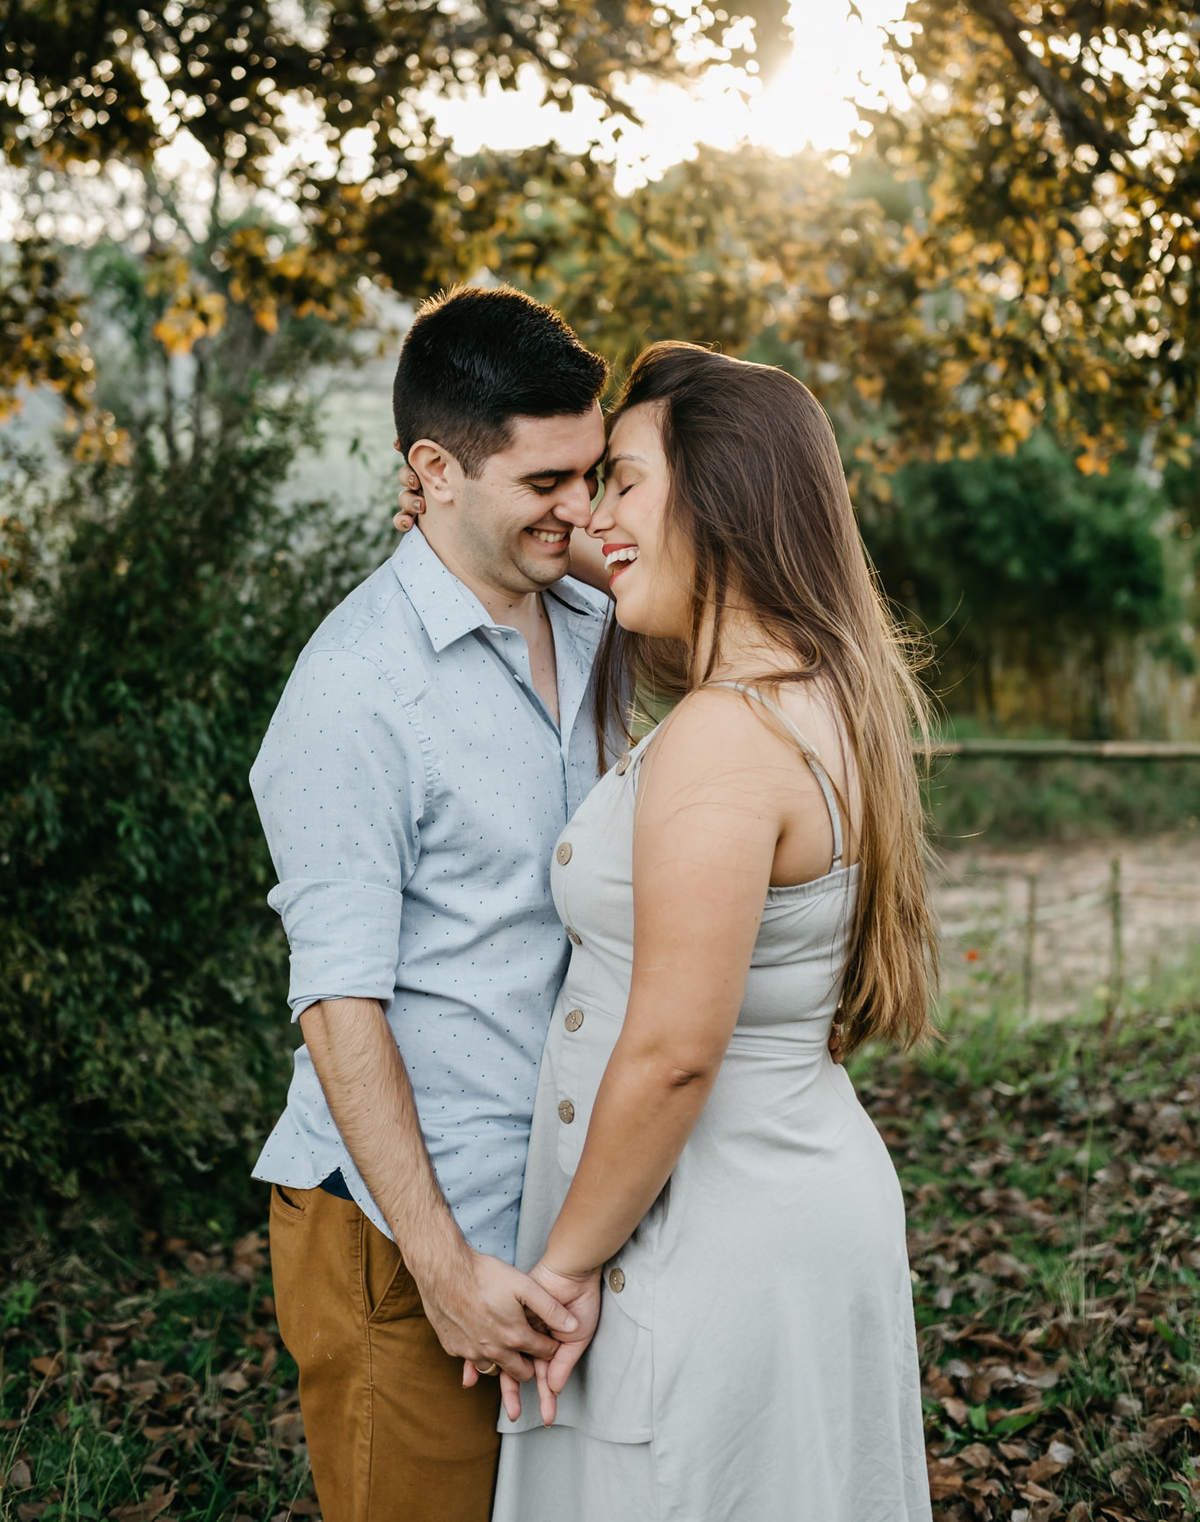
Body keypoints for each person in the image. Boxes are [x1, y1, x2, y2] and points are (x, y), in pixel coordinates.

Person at [490, 342, 937, 1522]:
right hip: (796, 1206)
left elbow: (673, 1049)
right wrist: (485, 514)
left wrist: (566, 1269)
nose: (592, 516)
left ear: (722, 501)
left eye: (620, 481)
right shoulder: (823, 694)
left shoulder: (723, 740)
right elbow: (629, 551)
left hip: (701, 1244)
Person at [248, 284, 615, 1522]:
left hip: (565, 1230)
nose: (580, 509)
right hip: (401, 1240)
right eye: (545, 482)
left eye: (594, 473)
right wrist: (443, 1266)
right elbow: (338, 1006)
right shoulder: (354, 692)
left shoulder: (604, 624)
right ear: (433, 471)